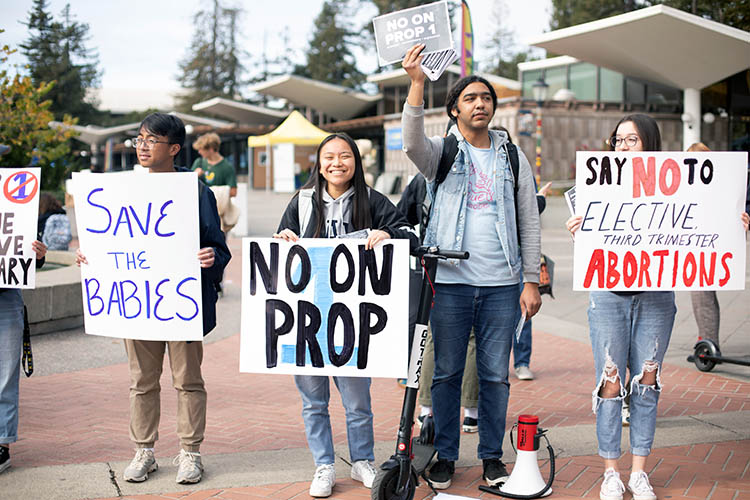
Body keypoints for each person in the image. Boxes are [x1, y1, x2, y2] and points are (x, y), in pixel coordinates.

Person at [564, 114, 746, 500]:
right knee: (610, 381)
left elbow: (707, 225)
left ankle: (639, 471)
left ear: (650, 142)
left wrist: (733, 225)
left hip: (656, 296)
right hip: (609, 294)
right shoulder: (596, 186)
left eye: (632, 140)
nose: (623, 147)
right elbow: (590, 245)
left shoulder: (679, 185)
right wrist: (579, 229)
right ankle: (611, 471)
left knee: (647, 383)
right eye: (618, 140)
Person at [401, 44, 542, 489]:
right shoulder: (440, 153)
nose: (480, 103)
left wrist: (532, 279)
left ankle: (491, 457)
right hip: (451, 283)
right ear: (454, 109)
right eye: (469, 98)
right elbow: (411, 143)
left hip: (502, 285)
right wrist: (418, 84)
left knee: (495, 376)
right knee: (444, 373)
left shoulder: (513, 157)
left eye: (486, 97)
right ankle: (444, 454)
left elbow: (529, 221)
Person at [76, 113, 231, 484]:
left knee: (187, 380)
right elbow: (108, 240)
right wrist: (91, 255)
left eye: (152, 140)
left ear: (174, 148)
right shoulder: (121, 190)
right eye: (139, 139)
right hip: (139, 302)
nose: (143, 146)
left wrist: (210, 258)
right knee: (141, 381)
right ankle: (143, 451)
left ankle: (190, 453)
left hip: (180, 302)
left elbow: (218, 247)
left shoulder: (194, 191)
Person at [274, 132, 417, 498]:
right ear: (318, 164)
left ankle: (362, 461)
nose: (337, 163)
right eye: (329, 157)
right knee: (313, 400)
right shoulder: (303, 202)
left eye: (345, 156)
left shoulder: (372, 200)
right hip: (307, 317)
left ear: (356, 162)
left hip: (353, 321)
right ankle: (323, 464)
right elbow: (280, 246)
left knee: (357, 400)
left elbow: (409, 234)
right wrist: (284, 240)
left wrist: (387, 234)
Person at [687, 142, 750, 347]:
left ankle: (707, 341)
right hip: (695, 245)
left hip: (713, 244)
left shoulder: (725, 184)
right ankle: (707, 340)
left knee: (702, 290)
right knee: (700, 291)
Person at [0, 240, 47, 473]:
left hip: (6, 296)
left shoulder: (14, 206)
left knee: (6, 375)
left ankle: (1, 443)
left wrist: (38, 255)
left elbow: (27, 249)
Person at [191, 132, 237, 197]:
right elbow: (187, 186)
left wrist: (210, 191)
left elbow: (233, 192)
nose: (199, 152)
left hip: (218, 206)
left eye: (201, 149)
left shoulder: (227, 167)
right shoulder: (199, 162)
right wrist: (194, 176)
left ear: (211, 149)